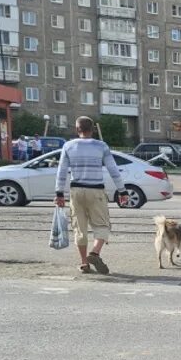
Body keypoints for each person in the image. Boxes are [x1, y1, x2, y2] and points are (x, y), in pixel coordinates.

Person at [54, 116, 129, 275]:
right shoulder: (101, 146)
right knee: (102, 225)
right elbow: (113, 170)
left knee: (79, 228)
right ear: (93, 129)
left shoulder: (68, 146)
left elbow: (61, 171)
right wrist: (122, 191)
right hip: (96, 191)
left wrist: (59, 193)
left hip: (76, 191)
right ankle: (94, 253)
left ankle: (84, 264)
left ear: (77, 129)